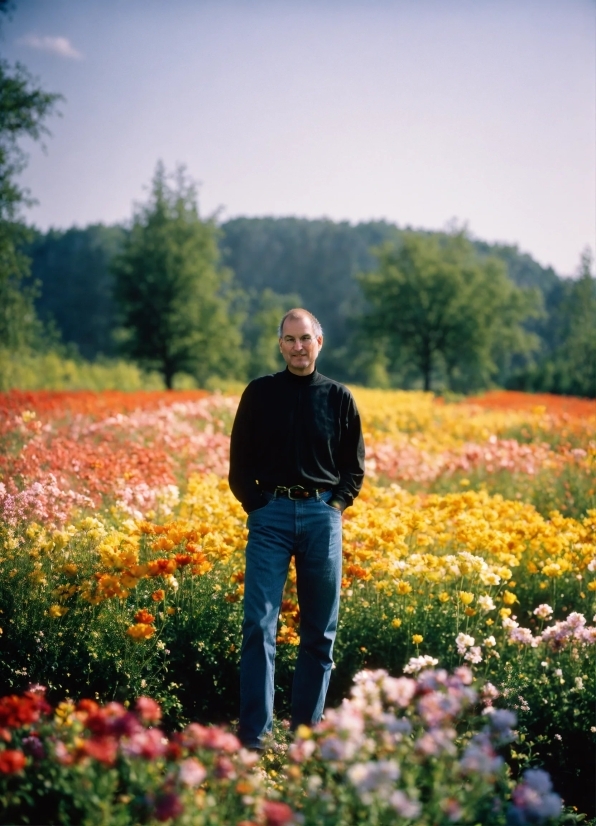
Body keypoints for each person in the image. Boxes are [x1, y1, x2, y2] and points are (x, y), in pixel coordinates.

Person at [228, 308, 365, 750]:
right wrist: (256, 505)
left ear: (319, 343)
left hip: (321, 517)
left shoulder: (339, 397)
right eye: (289, 339)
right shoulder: (259, 393)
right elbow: (238, 463)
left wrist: (336, 505)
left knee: (320, 631)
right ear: (280, 344)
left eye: (305, 338)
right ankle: (255, 738)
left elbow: (354, 468)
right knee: (258, 625)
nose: (298, 347)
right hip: (269, 517)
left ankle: (305, 735)